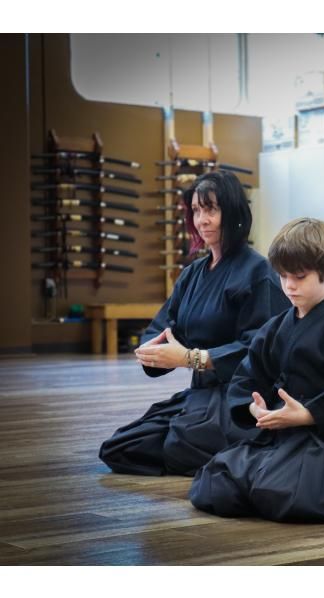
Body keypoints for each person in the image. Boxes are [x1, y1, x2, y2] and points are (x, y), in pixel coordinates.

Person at [189, 217, 324, 522]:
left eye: (300, 276)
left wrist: (309, 414)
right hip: (278, 434)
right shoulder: (273, 329)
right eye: (283, 276)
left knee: (285, 492)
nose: (289, 286)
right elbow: (247, 377)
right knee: (213, 484)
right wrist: (256, 409)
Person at [99, 170, 291, 476]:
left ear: (232, 212)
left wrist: (192, 358)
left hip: (244, 397)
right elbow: (161, 328)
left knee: (180, 444)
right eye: (197, 210)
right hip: (202, 394)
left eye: (211, 209)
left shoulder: (258, 273)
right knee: (121, 447)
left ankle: (258, 447)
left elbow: (260, 349)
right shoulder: (192, 275)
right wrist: (151, 351)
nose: (202, 220)